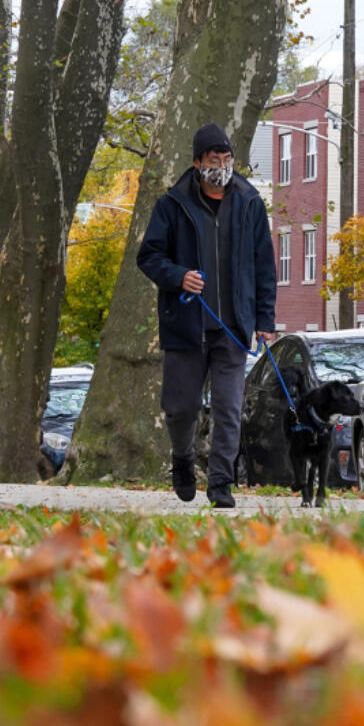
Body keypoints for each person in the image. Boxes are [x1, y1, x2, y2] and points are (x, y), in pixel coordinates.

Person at [137, 123, 278, 508]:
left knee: (229, 409)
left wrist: (265, 319)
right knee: (181, 408)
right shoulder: (172, 204)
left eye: (227, 159)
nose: (221, 166)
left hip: (234, 326)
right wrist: (178, 276)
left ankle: (221, 483)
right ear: (198, 163)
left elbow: (264, 264)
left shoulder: (249, 203)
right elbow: (148, 257)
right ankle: (182, 458)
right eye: (214, 160)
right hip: (186, 326)